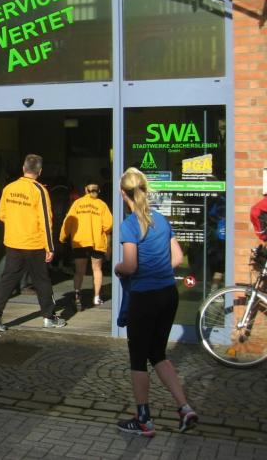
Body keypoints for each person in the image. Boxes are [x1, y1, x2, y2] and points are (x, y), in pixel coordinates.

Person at [115, 167, 198, 437]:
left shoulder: (129, 225)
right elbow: (177, 258)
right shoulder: (161, 220)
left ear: (122, 193)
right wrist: (159, 269)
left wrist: (117, 267)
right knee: (158, 353)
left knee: (138, 359)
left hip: (145, 298)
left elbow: (130, 265)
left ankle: (143, 421)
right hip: (168, 294)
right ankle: (184, 408)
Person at [0, 154, 66, 332]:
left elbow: (2, 214)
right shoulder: (39, 190)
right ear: (40, 171)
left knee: (8, 279)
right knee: (42, 280)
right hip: (34, 243)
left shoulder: (9, 188)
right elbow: (46, 220)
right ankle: (48, 317)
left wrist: (17, 223)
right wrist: (50, 247)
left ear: (23, 168)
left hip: (13, 242)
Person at [60, 181, 113, 310]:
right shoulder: (102, 205)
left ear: (85, 190)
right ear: (98, 191)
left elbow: (68, 221)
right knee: (97, 269)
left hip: (80, 241)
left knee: (79, 271)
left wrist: (62, 237)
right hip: (96, 242)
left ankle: (77, 296)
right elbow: (108, 225)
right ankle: (96, 297)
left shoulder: (77, 203)